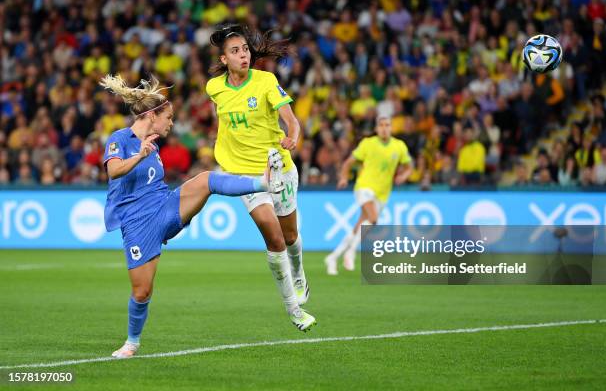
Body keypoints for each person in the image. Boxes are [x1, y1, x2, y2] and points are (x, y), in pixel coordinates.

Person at [100, 74, 286, 359]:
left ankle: (262, 183)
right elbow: (113, 171)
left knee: (205, 180)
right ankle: (132, 342)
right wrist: (138, 155)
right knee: (142, 292)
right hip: (137, 224)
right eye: (168, 118)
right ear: (151, 116)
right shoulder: (120, 138)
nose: (171, 124)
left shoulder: (155, 146)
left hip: (165, 207)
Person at [205, 24, 316, 332]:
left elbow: (291, 121)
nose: (243, 54)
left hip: (278, 168)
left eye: (245, 49)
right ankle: (294, 311)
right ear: (224, 59)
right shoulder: (214, 88)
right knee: (275, 238)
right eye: (235, 51)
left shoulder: (266, 80)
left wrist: (292, 137)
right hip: (246, 175)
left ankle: (299, 275)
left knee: (290, 236)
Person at [325, 116, 413, 275]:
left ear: (391, 128)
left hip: (383, 193)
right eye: (381, 125)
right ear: (377, 128)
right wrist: (344, 177)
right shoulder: (368, 144)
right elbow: (348, 163)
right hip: (364, 186)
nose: (384, 128)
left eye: (387, 125)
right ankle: (351, 252)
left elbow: (409, 166)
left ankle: (333, 257)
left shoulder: (399, 146)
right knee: (372, 218)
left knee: (361, 224)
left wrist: (404, 176)